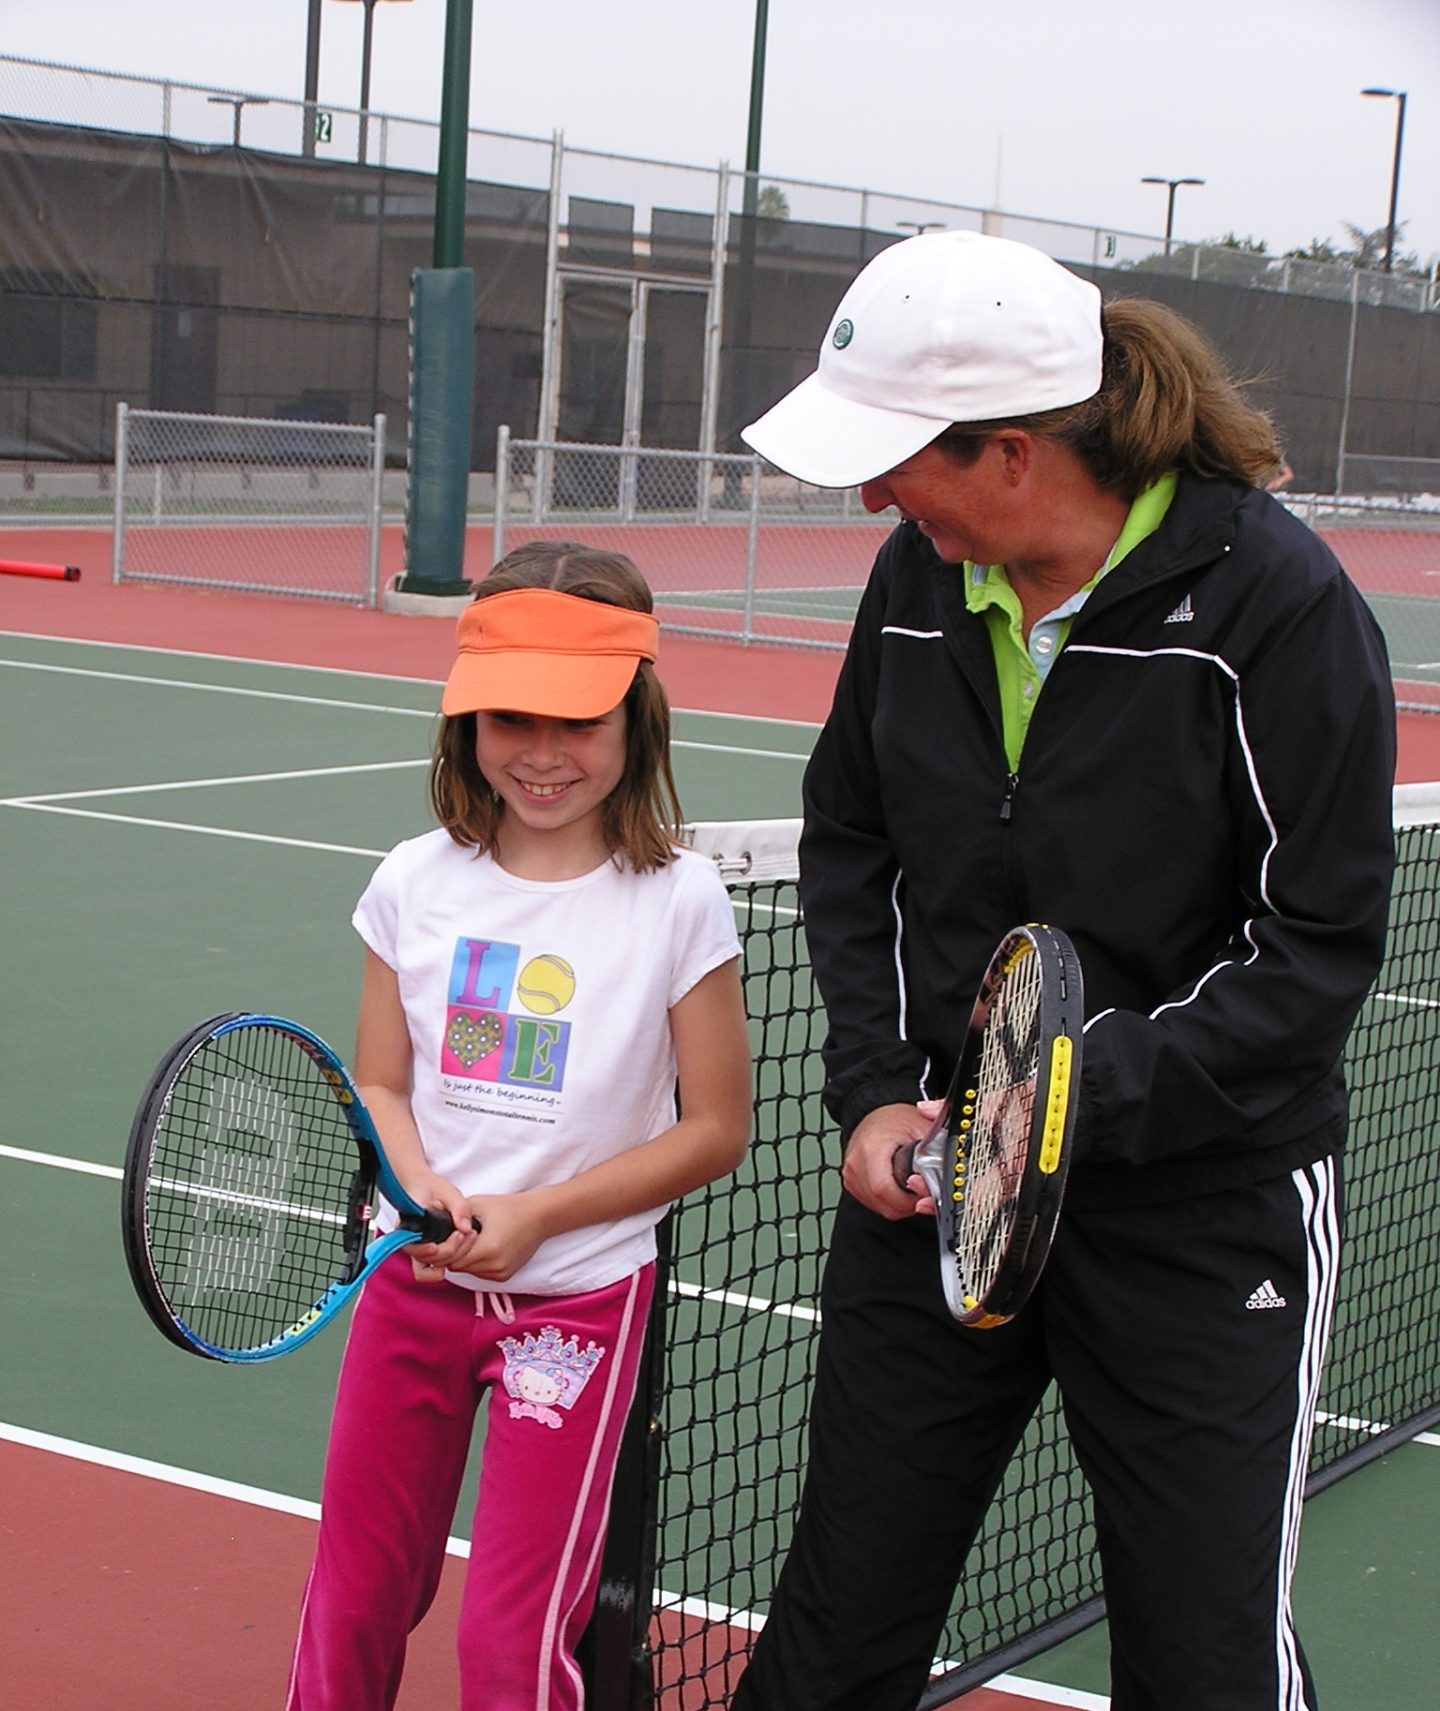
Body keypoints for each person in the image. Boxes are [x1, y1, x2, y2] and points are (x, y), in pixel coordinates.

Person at [731, 231, 1396, 1711]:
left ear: (1014, 453)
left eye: (896, 461)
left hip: (1197, 1211)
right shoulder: (918, 578)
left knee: (1203, 1666)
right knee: (830, 1644)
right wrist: (876, 1091)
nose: (872, 499)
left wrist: (1060, 1097)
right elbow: (851, 836)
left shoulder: (1278, 608)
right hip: (938, 1191)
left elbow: (1312, 946)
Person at [287, 542, 752, 1711]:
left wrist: (538, 1215)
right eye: (510, 717)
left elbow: (716, 1128)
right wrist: (421, 1192)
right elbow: (382, 1084)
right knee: (357, 1597)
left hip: (578, 1303)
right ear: (466, 724)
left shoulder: (681, 901)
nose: (542, 753)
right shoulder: (411, 881)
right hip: (410, 1283)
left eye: (578, 720)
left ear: (637, 718)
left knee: (512, 1642)